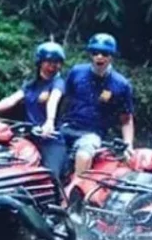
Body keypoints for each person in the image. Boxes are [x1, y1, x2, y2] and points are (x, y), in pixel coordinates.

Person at [0, 41, 68, 179]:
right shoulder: (31, 85)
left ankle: (56, 200)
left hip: (50, 140)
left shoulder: (58, 83)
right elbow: (11, 100)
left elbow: (54, 99)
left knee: (51, 176)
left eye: (57, 63)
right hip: (28, 137)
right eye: (49, 62)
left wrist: (50, 121)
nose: (53, 66)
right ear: (40, 62)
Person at [58, 33, 135, 177]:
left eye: (104, 53)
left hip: (92, 134)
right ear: (90, 55)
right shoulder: (76, 72)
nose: (99, 57)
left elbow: (126, 118)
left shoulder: (121, 84)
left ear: (111, 56)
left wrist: (128, 144)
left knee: (84, 157)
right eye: (95, 52)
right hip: (67, 127)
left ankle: (73, 195)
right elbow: (63, 100)